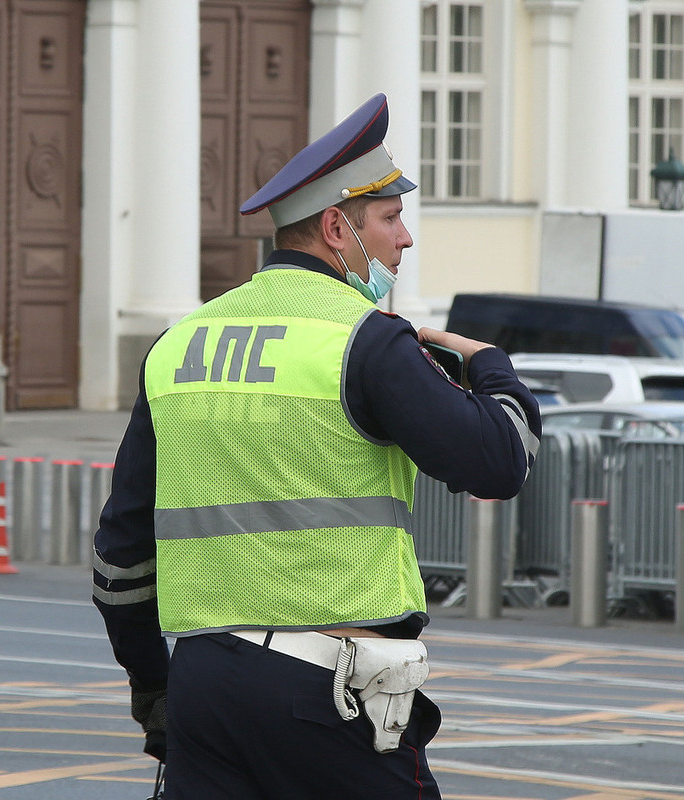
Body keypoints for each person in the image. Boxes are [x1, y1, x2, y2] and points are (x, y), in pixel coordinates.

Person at [93, 93, 541, 799]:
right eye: (390, 218)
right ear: (338, 227)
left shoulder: (178, 343)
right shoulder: (365, 338)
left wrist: (156, 686)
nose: (405, 239)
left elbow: (119, 560)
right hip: (330, 692)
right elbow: (499, 461)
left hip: (205, 683)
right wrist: (492, 369)